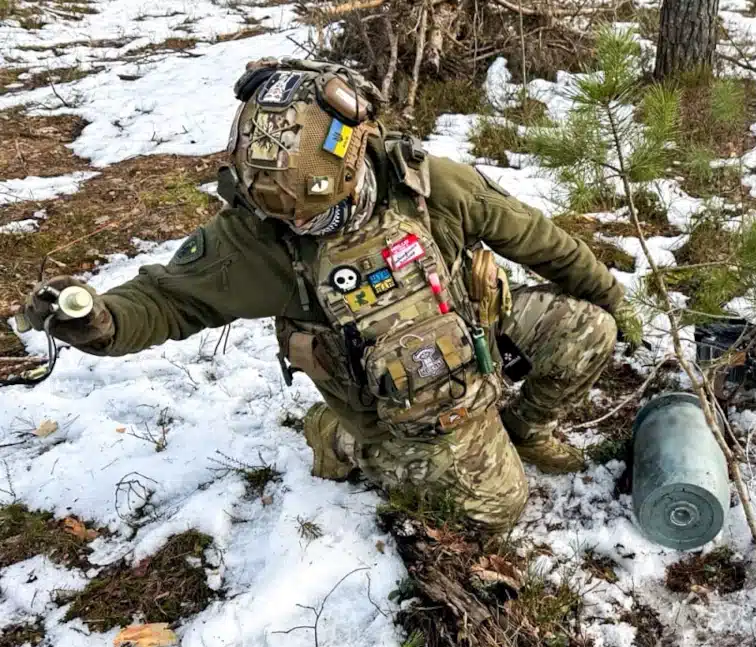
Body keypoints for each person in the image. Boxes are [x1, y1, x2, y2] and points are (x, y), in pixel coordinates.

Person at [21, 58, 643, 533]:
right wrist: (99, 322)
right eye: (286, 215)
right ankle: (340, 439)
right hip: (382, 400)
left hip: (466, 328)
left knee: (589, 332)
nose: (301, 226)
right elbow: (168, 298)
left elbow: (541, 241)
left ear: (354, 160)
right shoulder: (253, 238)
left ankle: (521, 427)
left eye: (318, 213)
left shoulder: (428, 187)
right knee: (498, 509)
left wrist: (614, 300)